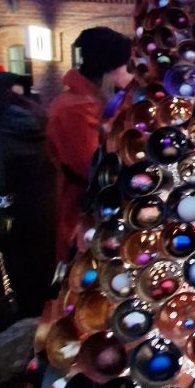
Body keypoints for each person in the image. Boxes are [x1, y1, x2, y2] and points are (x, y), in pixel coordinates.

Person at [46, 26, 131, 260]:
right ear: (109, 71)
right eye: (128, 67)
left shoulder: (97, 102)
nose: (132, 75)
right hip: (84, 215)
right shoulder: (75, 109)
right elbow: (92, 168)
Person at [0, 72, 55, 330]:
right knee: (43, 271)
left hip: (15, 212)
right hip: (45, 203)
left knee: (20, 273)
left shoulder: (2, 128)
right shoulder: (37, 118)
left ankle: (23, 321)